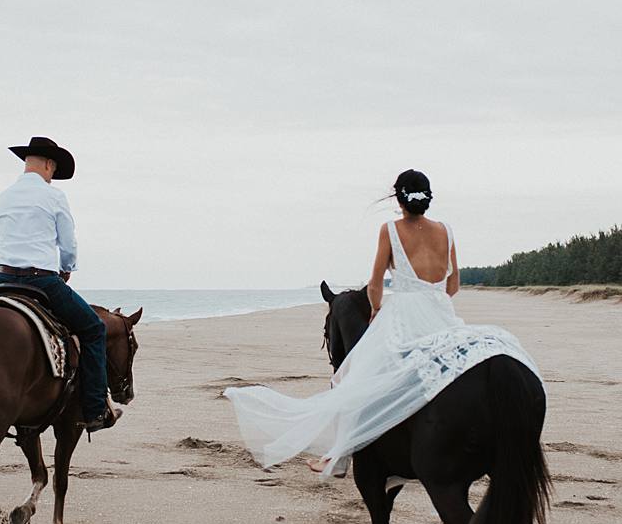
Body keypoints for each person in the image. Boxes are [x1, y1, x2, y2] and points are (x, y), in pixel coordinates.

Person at [224, 169, 540, 476]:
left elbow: (375, 283)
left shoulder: (390, 229)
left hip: (403, 315)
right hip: (442, 313)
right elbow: (453, 284)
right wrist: (433, 297)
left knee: (351, 381)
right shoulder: (447, 230)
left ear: (398, 200)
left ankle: (339, 456)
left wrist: (376, 310)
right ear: (427, 198)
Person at [0, 135, 121, 431]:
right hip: (43, 281)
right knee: (93, 329)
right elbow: (68, 243)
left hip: (3, 279)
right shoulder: (54, 197)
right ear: (49, 165)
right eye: (53, 171)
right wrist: (66, 268)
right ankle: (95, 409)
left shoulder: (4, 196)